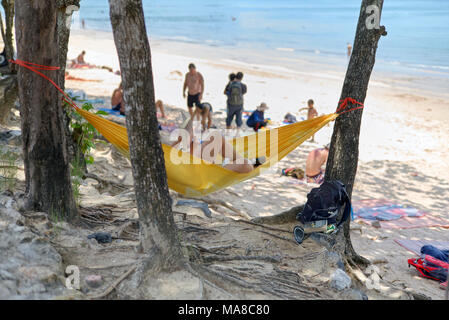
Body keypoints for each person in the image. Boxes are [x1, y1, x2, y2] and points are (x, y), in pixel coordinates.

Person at [171, 118, 264, 173]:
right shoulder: (174, 149)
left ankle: (246, 162)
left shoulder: (184, 145)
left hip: (207, 168)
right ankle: (249, 163)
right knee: (245, 165)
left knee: (216, 135)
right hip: (202, 173)